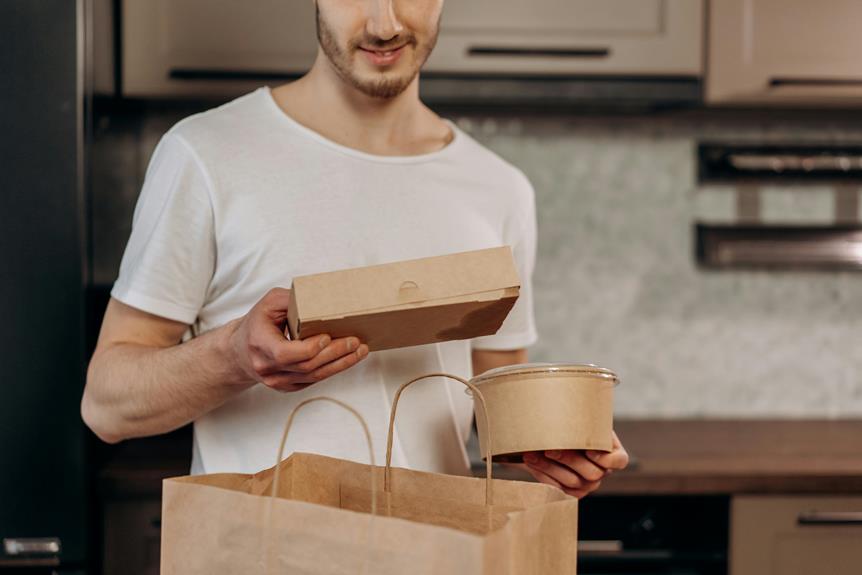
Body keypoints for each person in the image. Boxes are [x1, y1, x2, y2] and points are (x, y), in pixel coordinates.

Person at [81, 0, 628, 498]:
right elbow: (106, 406)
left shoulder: (499, 186)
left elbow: (496, 395)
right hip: (262, 555)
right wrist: (233, 356)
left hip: (438, 555)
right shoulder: (205, 155)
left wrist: (556, 437)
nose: (385, 24)